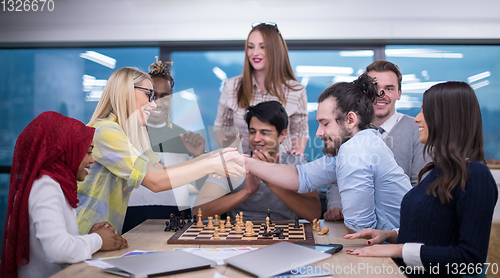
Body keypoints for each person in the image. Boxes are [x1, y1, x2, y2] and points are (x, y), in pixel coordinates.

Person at [344, 81, 498, 277]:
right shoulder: (438, 171)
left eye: (425, 112)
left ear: (447, 118)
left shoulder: (476, 175)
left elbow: (470, 260)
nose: (417, 119)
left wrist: (398, 249)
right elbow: (436, 229)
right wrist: (390, 235)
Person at [231, 74, 411, 233]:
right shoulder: (355, 145)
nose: (318, 132)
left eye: (325, 123)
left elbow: (359, 228)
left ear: (350, 120)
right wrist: (245, 162)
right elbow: (301, 177)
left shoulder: (355, 149)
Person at [76, 67, 245, 235]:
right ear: (126, 93)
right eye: (149, 95)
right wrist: (211, 164)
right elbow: (156, 182)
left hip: (103, 234)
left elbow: (161, 171)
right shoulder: (106, 131)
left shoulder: (130, 134)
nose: (154, 104)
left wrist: (212, 156)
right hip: (85, 233)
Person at [0, 112, 126, 278]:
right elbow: (59, 251)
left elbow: (52, 245)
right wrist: (98, 240)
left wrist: (86, 237)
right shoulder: (45, 187)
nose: (92, 160)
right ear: (64, 151)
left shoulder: (55, 184)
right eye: (88, 152)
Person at [324, 60, 426, 221]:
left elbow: (420, 185)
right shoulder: (347, 129)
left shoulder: (418, 130)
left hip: (401, 226)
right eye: (375, 88)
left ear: (399, 93)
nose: (381, 94)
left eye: (389, 88)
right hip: (352, 225)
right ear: (365, 93)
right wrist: (336, 207)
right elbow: (336, 179)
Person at [193, 101, 321, 221]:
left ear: (282, 135)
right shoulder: (231, 163)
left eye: (265, 133)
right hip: (238, 238)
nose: (256, 139)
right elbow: (198, 212)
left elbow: (314, 214)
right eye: (252, 132)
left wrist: (270, 180)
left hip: (285, 238)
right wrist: (246, 192)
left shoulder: (296, 163)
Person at [123, 58, 206, 233]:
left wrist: (199, 155)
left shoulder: (185, 137)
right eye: (152, 95)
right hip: (132, 216)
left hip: (176, 217)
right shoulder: (126, 134)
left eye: (165, 97)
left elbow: (204, 187)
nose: (158, 102)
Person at [214, 22, 308, 155]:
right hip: (242, 165)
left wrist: (295, 157)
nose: (255, 53)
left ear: (275, 50)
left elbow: (300, 131)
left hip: (280, 167)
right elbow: (221, 126)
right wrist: (228, 144)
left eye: (262, 47)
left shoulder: (296, 90)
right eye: (250, 47)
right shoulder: (232, 86)